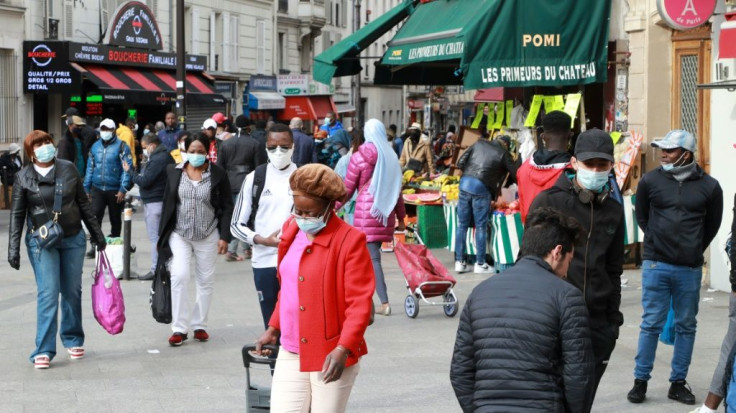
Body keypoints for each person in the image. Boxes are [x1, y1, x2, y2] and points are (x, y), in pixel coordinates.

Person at [254, 163, 374, 412]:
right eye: (299, 210)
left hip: (331, 351)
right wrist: (274, 328)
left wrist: (343, 348)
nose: (304, 218)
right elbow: (286, 288)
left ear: (331, 206)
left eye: (311, 213)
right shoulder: (290, 228)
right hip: (290, 347)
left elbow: (359, 303)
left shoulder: (350, 241)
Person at [450, 207, 594, 413]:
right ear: (557, 252)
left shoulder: (479, 293)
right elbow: (579, 375)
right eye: (568, 263)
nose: (566, 273)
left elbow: (460, 371)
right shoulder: (567, 296)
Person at [628, 129, 723, 405]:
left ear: (686, 154)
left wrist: (692, 248)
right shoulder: (650, 181)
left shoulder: (710, 187)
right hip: (656, 263)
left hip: (689, 269)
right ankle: (640, 381)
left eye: (669, 150)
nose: (663, 154)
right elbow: (643, 217)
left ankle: (678, 383)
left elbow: (712, 226)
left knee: (686, 326)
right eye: (662, 149)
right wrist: (658, 242)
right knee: (651, 324)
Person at [529, 129, 624, 400]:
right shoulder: (548, 202)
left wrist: (611, 323)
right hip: (553, 322)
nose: (595, 169)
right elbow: (528, 263)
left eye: (601, 165)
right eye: (589, 164)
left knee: (582, 401)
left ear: (610, 167)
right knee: (552, 399)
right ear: (574, 163)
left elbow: (614, 270)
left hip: (597, 327)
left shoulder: (614, 211)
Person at [8, 130, 107, 369]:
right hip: (41, 242)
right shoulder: (23, 176)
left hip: (73, 237)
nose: (44, 147)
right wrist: (13, 248)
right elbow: (17, 214)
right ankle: (43, 349)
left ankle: (73, 338)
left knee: (72, 290)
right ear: (31, 151)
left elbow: (83, 203)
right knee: (49, 292)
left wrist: (97, 234)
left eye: (47, 142)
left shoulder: (68, 168)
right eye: (38, 144)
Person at [157, 133, 233, 346]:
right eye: (193, 151)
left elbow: (227, 206)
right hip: (179, 234)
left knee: (205, 280)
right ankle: (179, 328)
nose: (197, 155)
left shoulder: (218, 174)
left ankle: (200, 325)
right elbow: (167, 205)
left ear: (208, 151)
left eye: (201, 152)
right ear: (185, 150)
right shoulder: (174, 172)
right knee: (179, 276)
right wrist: (161, 238)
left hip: (208, 234)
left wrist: (224, 236)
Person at [230, 123, 298, 329]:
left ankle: (295, 360)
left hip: (298, 262)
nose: (279, 152)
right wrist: (262, 240)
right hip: (264, 262)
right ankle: (274, 361)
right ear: (266, 147)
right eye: (272, 147)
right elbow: (236, 224)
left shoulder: (304, 177)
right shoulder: (255, 178)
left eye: (284, 147)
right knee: (271, 324)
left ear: (293, 146)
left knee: (296, 322)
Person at [337, 119, 406, 316]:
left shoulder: (359, 157)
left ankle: (379, 303)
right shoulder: (391, 157)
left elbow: (348, 189)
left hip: (365, 212)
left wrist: (333, 206)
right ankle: (376, 302)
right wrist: (401, 218)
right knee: (371, 258)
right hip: (384, 212)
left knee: (365, 259)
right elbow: (396, 192)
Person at [454, 134, 517, 274]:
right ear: (506, 145)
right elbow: (515, 173)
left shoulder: (478, 144)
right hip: (481, 188)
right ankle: (480, 263)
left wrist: (470, 173)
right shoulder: (503, 153)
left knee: (462, 225)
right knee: (481, 226)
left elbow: (460, 162)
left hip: (464, 184)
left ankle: (459, 262)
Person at [122, 133, 175, 280]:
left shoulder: (158, 159)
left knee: (155, 238)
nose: (144, 150)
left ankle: (155, 270)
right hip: (161, 200)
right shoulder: (165, 156)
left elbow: (145, 181)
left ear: (152, 145)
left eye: (145, 148)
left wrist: (130, 171)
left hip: (154, 202)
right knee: (162, 237)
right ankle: (164, 267)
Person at [83, 118, 133, 258]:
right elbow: (90, 168)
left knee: (115, 219)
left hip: (114, 189)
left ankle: (115, 244)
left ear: (114, 130)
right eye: (102, 129)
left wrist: (123, 188)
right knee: (94, 217)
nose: (105, 132)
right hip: (97, 188)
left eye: (108, 129)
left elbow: (126, 169)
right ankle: (95, 245)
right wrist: (86, 188)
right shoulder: (95, 147)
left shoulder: (122, 146)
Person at [218, 115, 264, 262]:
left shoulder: (225, 144)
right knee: (243, 216)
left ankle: (245, 248)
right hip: (246, 183)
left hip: (228, 184)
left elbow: (219, 167)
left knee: (234, 215)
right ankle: (232, 250)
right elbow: (259, 168)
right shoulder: (254, 144)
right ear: (248, 127)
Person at [517, 110, 573, 223]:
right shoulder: (573, 171)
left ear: (542, 136)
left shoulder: (523, 169)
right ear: (570, 135)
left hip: (531, 235)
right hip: (563, 237)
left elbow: (523, 213)